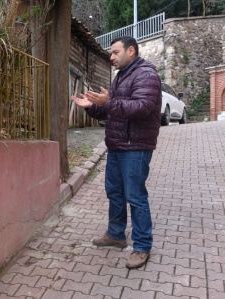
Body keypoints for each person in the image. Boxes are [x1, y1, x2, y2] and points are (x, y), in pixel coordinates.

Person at [71, 36, 162, 269]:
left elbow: (142, 108)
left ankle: (142, 246)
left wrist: (109, 103)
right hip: (117, 145)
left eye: (114, 52)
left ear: (130, 51)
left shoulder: (146, 74)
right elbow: (110, 112)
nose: (111, 57)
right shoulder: (121, 76)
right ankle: (116, 234)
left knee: (135, 197)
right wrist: (92, 106)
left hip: (136, 147)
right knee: (115, 192)